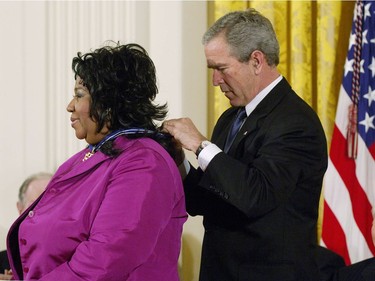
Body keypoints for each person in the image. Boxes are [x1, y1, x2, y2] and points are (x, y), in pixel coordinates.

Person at [163, 8, 328, 281]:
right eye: (212, 70)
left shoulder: (296, 122)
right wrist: (179, 159)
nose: (215, 80)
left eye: (221, 68)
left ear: (256, 60)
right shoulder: (231, 118)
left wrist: (201, 145)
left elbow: (255, 195)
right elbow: (210, 201)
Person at [6, 42, 187, 281]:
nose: (70, 106)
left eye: (79, 95)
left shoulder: (144, 163)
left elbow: (105, 258)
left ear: (109, 104)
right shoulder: (85, 158)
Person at [0, 172, 52, 280]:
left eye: (52, 206)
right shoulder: (2, 261)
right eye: (34, 206)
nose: (45, 216)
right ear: (20, 209)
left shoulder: (77, 259)